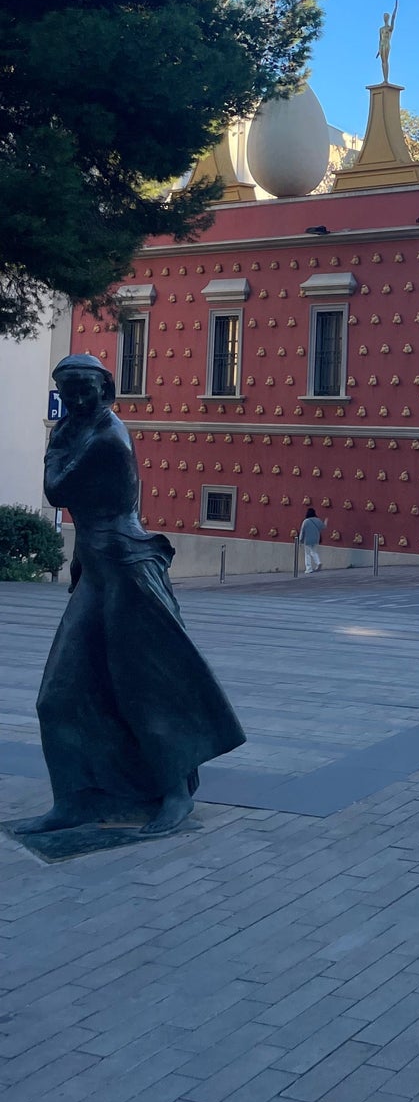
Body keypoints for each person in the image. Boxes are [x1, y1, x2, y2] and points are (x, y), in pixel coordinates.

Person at [15, 354, 245, 836]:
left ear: (105, 391)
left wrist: (55, 442)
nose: (75, 398)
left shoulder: (106, 439)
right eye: (67, 389)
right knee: (58, 696)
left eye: (84, 388)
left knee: (146, 688)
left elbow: (55, 490)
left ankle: (175, 795)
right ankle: (75, 799)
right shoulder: (77, 431)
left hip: (128, 569)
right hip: (96, 571)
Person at [298, 506, 325, 574]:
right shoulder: (318, 520)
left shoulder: (306, 521)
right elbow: (323, 527)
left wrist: (300, 539)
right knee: (314, 552)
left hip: (307, 540)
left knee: (307, 554)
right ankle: (318, 562)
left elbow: (302, 531)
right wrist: (326, 521)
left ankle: (309, 569)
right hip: (316, 539)